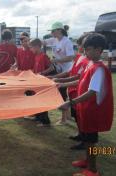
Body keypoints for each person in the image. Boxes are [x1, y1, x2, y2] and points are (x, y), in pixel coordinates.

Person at [59, 33, 114, 176]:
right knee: (86, 138)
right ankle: (87, 161)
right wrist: (62, 83)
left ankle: (92, 170)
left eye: (88, 49)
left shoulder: (99, 69)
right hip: (85, 109)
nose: (85, 52)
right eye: (84, 49)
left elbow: (92, 92)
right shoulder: (91, 64)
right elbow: (80, 80)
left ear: (98, 49)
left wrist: (70, 102)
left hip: (92, 111)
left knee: (90, 141)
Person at [54, 33, 90, 150]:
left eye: (81, 45)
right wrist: (59, 78)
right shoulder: (79, 58)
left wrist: (63, 82)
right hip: (73, 91)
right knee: (76, 115)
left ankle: (85, 140)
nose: (80, 48)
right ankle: (81, 135)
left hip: (80, 92)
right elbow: (72, 73)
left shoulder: (87, 62)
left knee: (83, 117)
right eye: (80, 45)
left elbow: (79, 78)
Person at [43, 21, 75, 125]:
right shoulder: (54, 40)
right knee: (64, 92)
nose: (51, 33)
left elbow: (71, 57)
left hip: (67, 71)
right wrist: (29, 40)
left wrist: (56, 60)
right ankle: (68, 116)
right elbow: (43, 42)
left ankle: (63, 119)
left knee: (62, 93)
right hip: (59, 69)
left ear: (59, 30)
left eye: (52, 31)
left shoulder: (67, 42)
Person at [26, 38, 55, 126]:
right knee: (36, 100)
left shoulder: (43, 56)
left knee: (42, 101)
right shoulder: (36, 56)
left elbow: (52, 68)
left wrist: (41, 73)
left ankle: (45, 122)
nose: (31, 50)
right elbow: (36, 68)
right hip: (36, 82)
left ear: (37, 47)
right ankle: (38, 117)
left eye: (31, 48)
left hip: (42, 82)